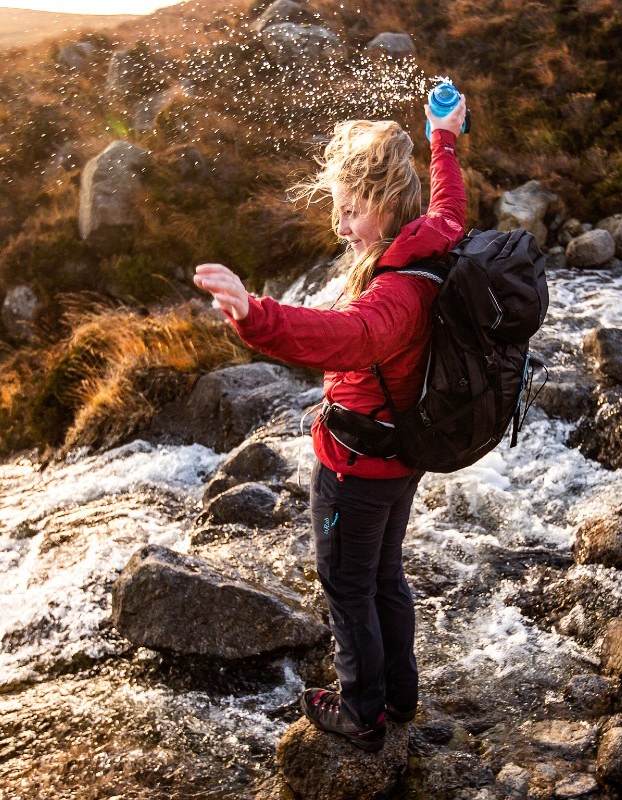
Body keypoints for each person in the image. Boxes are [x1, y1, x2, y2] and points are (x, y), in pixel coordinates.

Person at [194, 95, 467, 751]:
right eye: (336, 208)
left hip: (359, 466)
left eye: (351, 210)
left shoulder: (397, 293)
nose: (340, 225)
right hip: (403, 455)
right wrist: (444, 139)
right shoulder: (433, 237)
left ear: (386, 205)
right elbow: (451, 201)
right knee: (383, 578)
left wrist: (254, 316)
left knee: (348, 586)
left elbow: (345, 336)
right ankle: (400, 696)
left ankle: (362, 713)